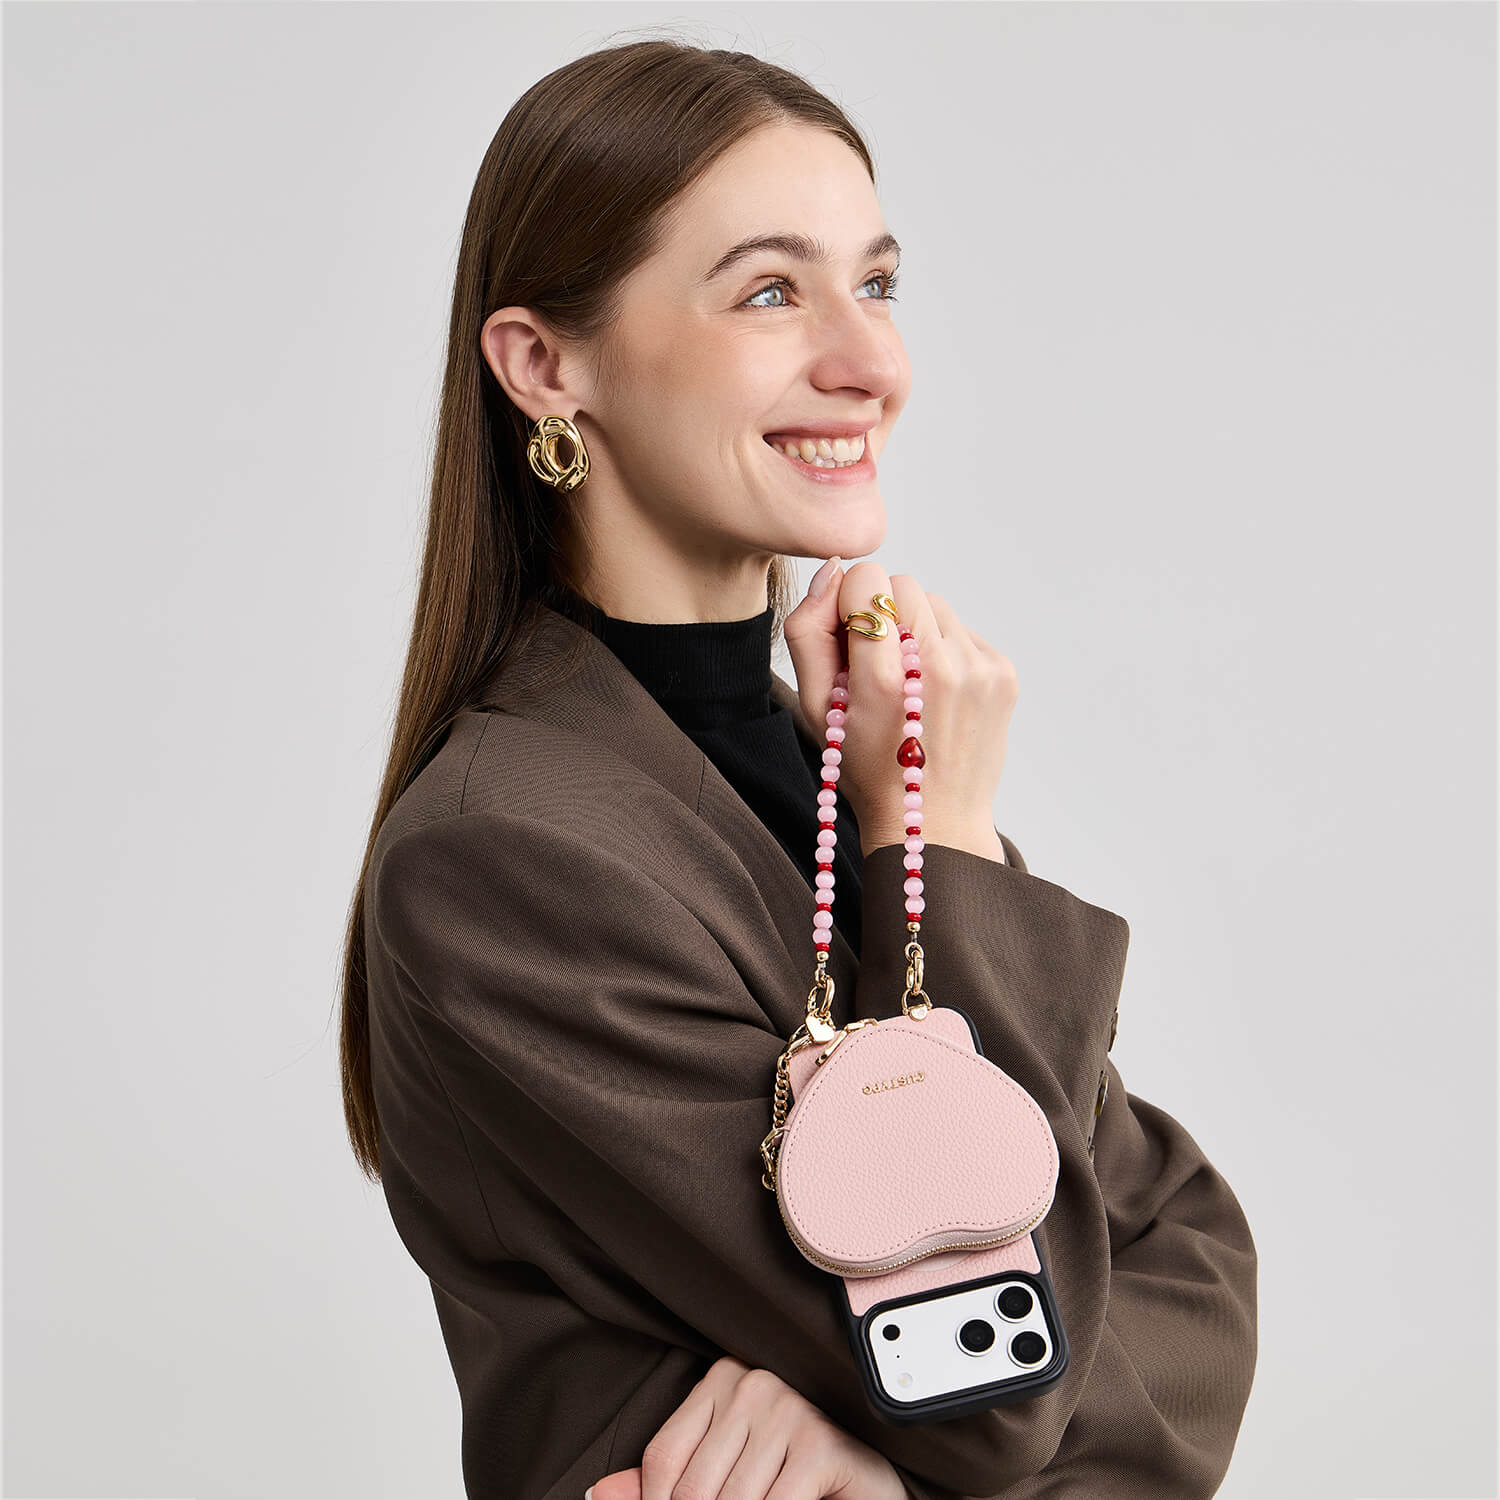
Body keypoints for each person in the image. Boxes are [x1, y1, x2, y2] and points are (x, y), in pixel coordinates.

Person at [338, 37, 1258, 1500]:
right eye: (771, 291)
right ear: (545, 365)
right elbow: (990, 1392)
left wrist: (887, 1475)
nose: (872, 365)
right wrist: (942, 847)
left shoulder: (838, 778)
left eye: (876, 285)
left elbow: (1193, 1258)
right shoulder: (501, 856)